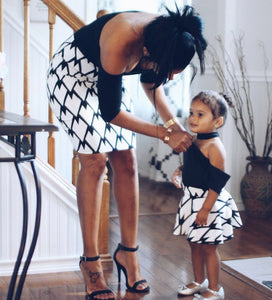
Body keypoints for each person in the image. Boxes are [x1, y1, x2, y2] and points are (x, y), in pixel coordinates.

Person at [46, 5, 207, 300]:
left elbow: (152, 84)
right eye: (169, 70)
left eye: (175, 72)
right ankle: (90, 263)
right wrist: (164, 134)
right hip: (72, 79)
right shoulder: (122, 37)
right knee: (95, 160)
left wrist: (173, 125)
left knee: (128, 161)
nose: (170, 77)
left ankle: (128, 254)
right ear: (147, 50)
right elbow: (111, 112)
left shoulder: (166, 35)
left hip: (109, 79)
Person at [172, 91, 243, 300]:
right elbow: (195, 165)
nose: (193, 118)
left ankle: (214, 288)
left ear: (217, 121)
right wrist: (179, 172)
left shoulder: (215, 147)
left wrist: (205, 209)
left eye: (200, 114)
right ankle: (198, 280)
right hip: (191, 199)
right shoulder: (194, 141)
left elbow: (217, 180)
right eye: (191, 112)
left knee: (209, 247)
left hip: (208, 202)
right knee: (194, 242)